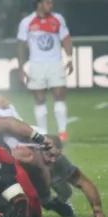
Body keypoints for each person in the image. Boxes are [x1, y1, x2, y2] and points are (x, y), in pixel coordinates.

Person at [17, 0, 73, 141]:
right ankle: (43, 132)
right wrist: (22, 67)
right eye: (48, 2)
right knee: (39, 98)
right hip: (36, 65)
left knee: (59, 95)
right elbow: (21, 45)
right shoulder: (27, 22)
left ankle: (62, 131)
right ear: (39, 4)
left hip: (55, 63)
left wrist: (69, 58)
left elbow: (66, 39)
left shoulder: (57, 19)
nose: (51, 5)